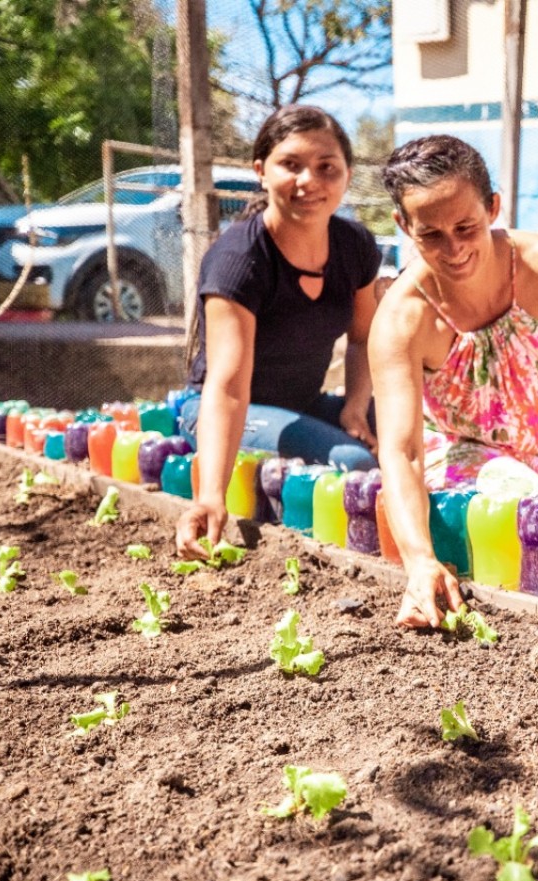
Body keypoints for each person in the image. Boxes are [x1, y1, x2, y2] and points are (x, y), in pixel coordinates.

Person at [370, 134, 538, 629]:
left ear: (492, 207)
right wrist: (420, 560)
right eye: (431, 235)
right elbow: (400, 451)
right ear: (404, 226)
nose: (454, 248)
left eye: (466, 225)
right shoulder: (402, 319)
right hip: (466, 467)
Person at [175, 104, 381, 559]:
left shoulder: (355, 247)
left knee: (401, 432)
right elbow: (227, 388)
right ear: (261, 171)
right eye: (291, 164)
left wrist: (354, 406)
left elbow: (364, 338)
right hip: (224, 409)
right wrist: (211, 495)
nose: (309, 180)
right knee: (352, 462)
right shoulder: (239, 260)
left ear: (347, 174)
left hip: (303, 405)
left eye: (327, 167)